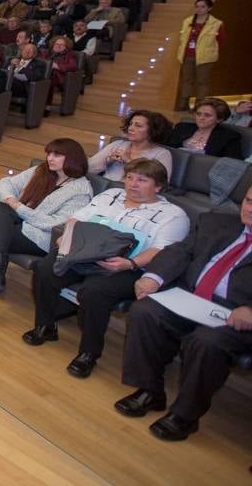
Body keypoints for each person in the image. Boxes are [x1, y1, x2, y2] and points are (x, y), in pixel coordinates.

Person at [23, 159, 189, 379]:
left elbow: (163, 251)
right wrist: (66, 237)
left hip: (129, 266)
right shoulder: (109, 196)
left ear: (158, 186)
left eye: (142, 180)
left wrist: (130, 263)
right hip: (84, 252)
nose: (133, 184)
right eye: (129, 177)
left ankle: (88, 353)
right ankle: (46, 326)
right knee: (46, 269)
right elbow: (77, 219)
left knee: (94, 291)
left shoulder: (174, 215)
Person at [113, 184, 252, 442]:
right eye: (248, 200)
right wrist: (154, 277)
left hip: (235, 315)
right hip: (191, 297)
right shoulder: (214, 222)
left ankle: (185, 416)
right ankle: (150, 390)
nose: (249, 209)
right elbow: (180, 251)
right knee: (144, 311)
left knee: (206, 342)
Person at [0, 139, 93, 317]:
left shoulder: (80, 190)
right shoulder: (41, 171)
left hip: (43, 237)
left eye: (57, 154)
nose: (50, 158)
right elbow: (4, 184)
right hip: (18, 224)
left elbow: (55, 224)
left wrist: (19, 208)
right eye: (49, 153)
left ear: (72, 158)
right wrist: (11, 200)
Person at [90, 110, 174, 183]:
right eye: (130, 124)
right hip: (104, 192)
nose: (130, 128)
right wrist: (108, 160)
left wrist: (129, 161)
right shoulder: (118, 144)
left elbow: (160, 183)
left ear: (153, 131)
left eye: (138, 126)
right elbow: (87, 168)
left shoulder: (162, 154)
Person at [174, 0, 224, 112]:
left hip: (205, 58)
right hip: (187, 55)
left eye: (202, 7)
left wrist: (210, 52)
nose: (199, 9)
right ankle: (183, 104)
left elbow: (221, 41)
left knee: (202, 82)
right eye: (197, 6)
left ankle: (199, 106)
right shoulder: (187, 21)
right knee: (186, 80)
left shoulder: (216, 23)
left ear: (209, 8)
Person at [165, 98, 244, 158]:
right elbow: (166, 149)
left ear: (219, 119)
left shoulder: (229, 137)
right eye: (198, 114)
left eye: (207, 115)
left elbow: (232, 164)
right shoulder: (182, 127)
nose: (201, 118)